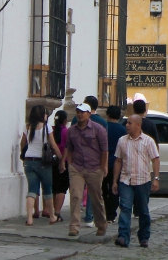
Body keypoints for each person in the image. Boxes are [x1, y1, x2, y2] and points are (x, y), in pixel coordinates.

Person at [110, 114, 160, 248]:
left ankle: (144, 237)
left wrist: (156, 178)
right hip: (126, 180)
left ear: (138, 125)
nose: (126, 125)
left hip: (142, 180)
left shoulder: (148, 141)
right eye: (126, 123)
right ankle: (123, 237)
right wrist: (115, 181)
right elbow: (118, 161)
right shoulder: (122, 141)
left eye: (129, 123)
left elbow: (155, 159)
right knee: (125, 207)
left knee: (143, 210)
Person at [63, 102, 108, 237]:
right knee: (75, 195)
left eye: (83, 112)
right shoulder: (72, 130)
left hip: (94, 167)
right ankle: (74, 226)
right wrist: (70, 164)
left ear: (89, 114)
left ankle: (101, 224)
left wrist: (103, 167)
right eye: (78, 112)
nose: (80, 114)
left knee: (96, 197)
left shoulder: (98, 129)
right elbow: (69, 148)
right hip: (77, 167)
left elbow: (104, 150)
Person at [20, 104, 61, 225]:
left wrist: (24, 155)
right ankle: (52, 216)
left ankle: (29, 218)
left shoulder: (26, 127)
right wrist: (59, 157)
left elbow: (22, 143)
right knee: (47, 189)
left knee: (32, 190)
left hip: (29, 160)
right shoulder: (46, 127)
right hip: (43, 162)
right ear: (42, 115)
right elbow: (53, 145)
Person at [102, 105, 127, 225]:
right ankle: (111, 215)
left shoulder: (103, 128)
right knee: (114, 189)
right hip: (117, 163)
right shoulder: (123, 130)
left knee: (102, 189)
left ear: (107, 115)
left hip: (102, 163)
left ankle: (103, 211)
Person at [50, 110, 70, 220]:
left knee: (54, 186)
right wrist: (63, 160)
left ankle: (52, 210)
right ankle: (57, 212)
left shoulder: (52, 131)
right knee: (61, 188)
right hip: (64, 161)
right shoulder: (66, 131)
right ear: (65, 120)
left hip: (52, 161)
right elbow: (67, 147)